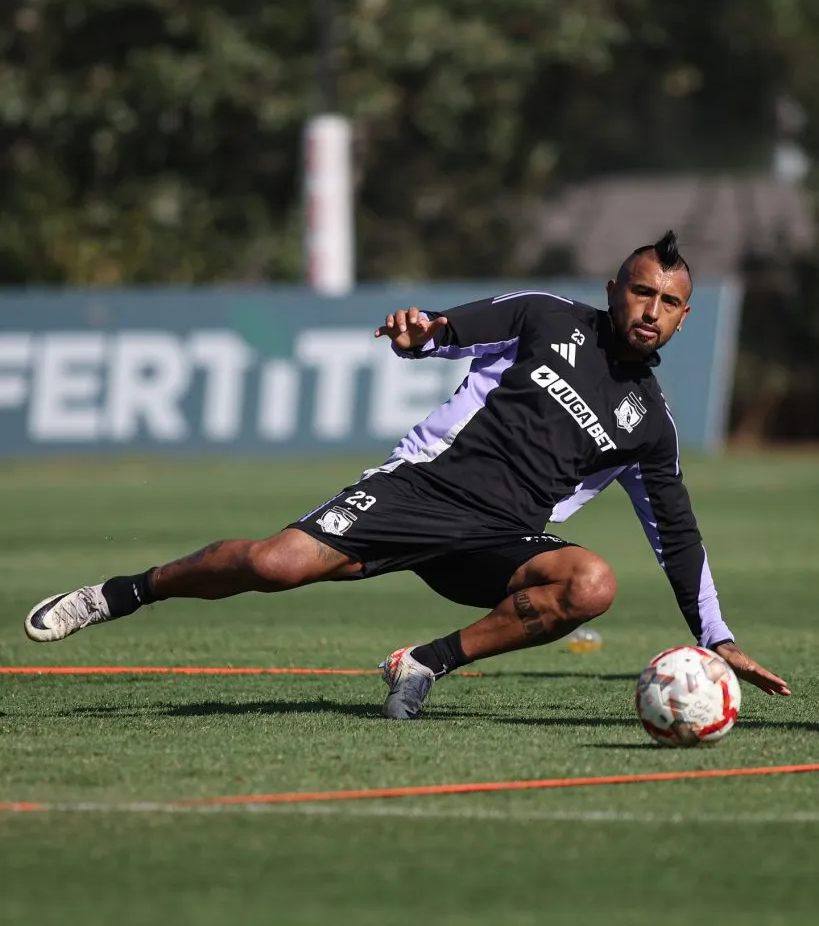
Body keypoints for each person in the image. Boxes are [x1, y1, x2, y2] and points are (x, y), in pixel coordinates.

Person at [24, 231, 790, 717]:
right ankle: (119, 593)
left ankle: (424, 662)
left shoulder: (650, 426)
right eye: (641, 290)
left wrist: (715, 638)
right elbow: (448, 330)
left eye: (669, 301)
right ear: (614, 291)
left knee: (589, 584)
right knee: (271, 564)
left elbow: (676, 536)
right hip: (419, 491)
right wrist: (419, 332)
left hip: (498, 540)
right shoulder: (545, 318)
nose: (651, 308)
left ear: (684, 319)